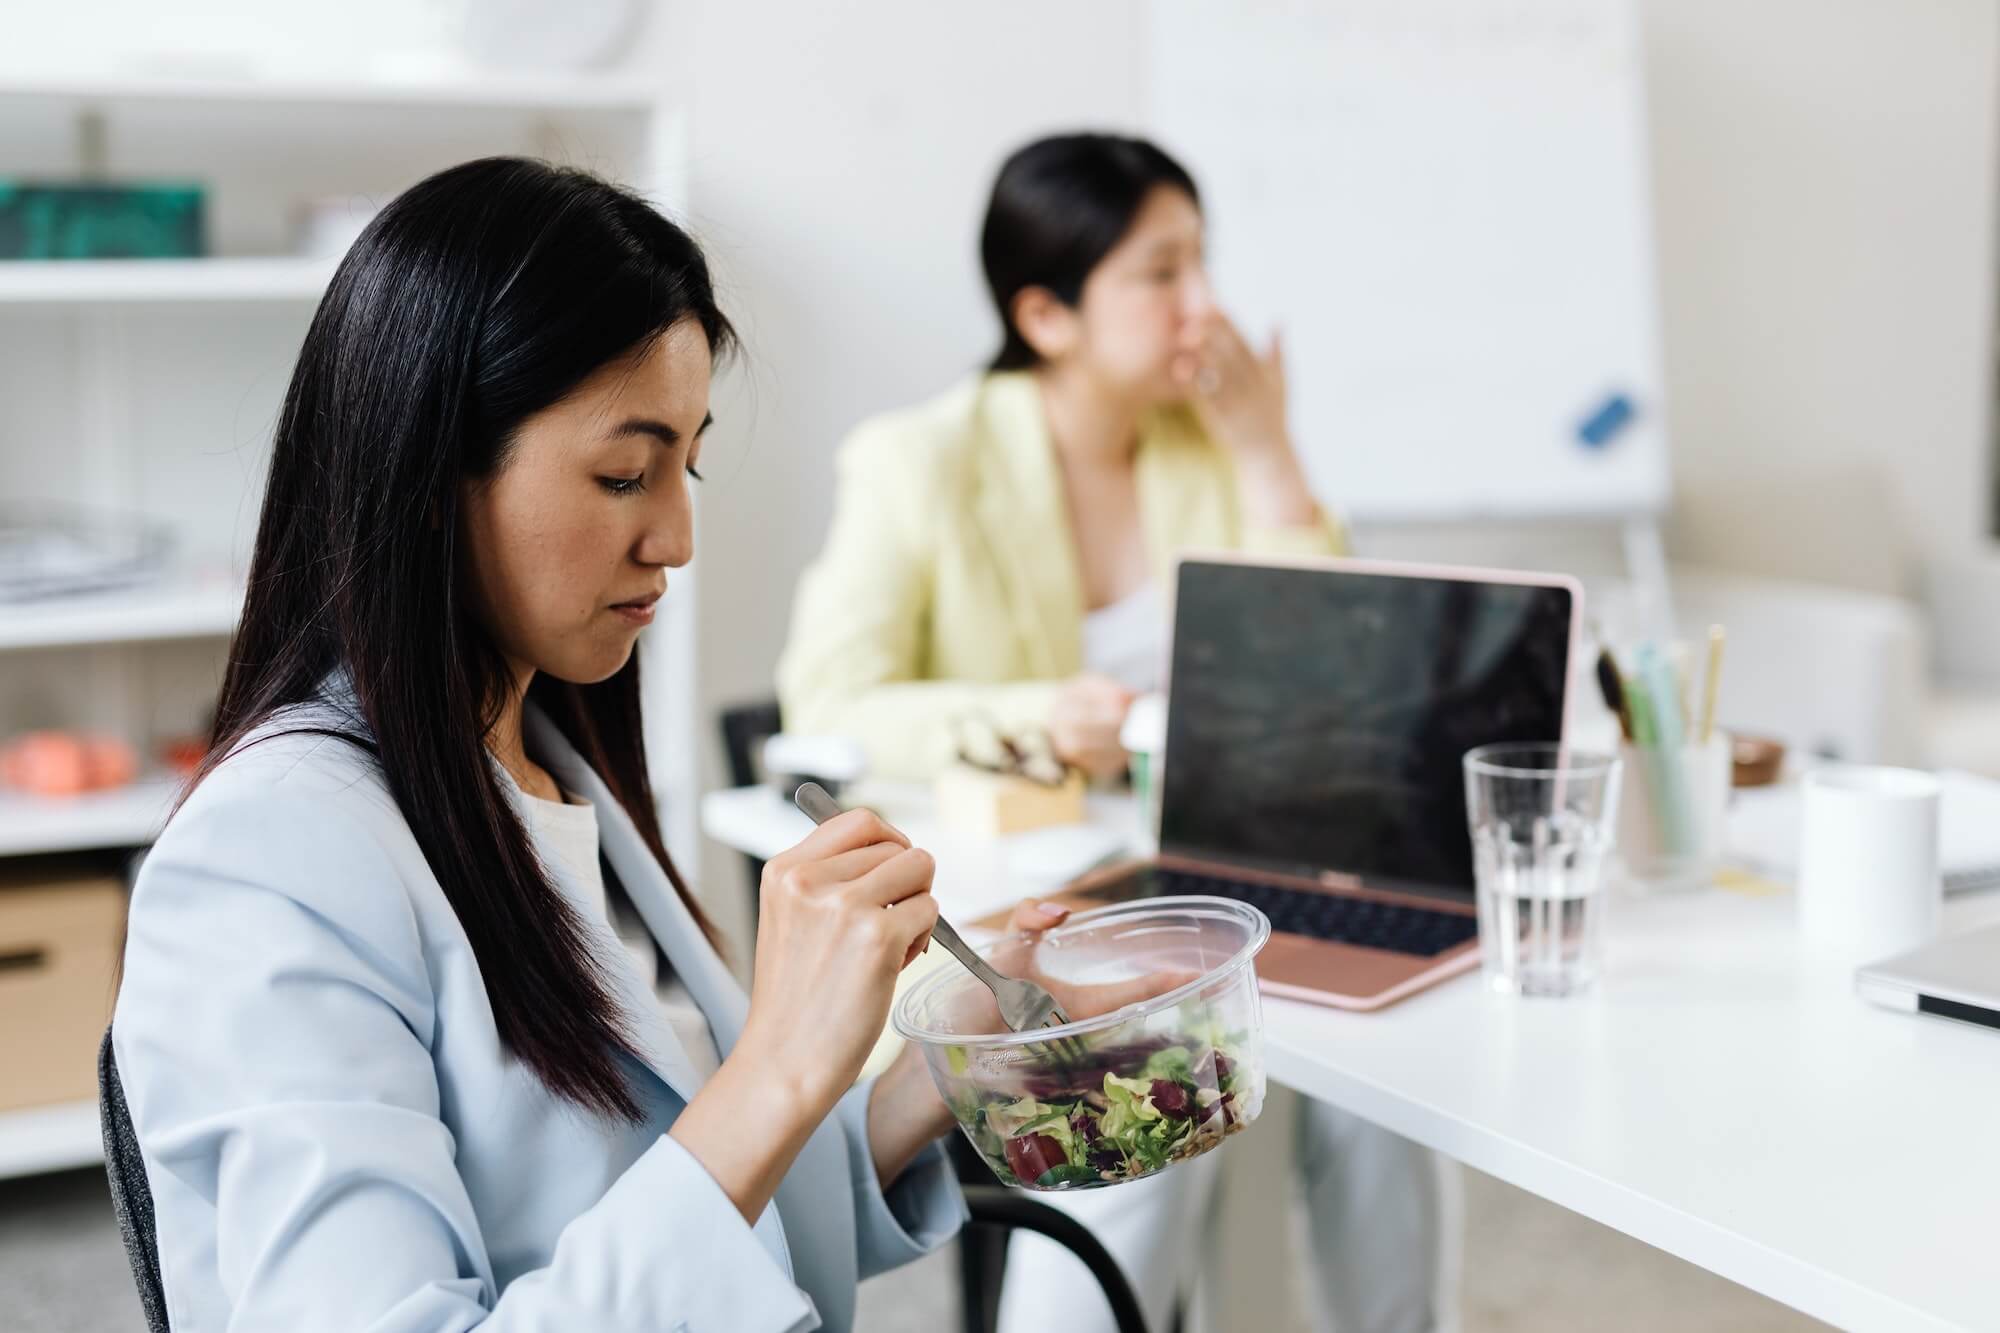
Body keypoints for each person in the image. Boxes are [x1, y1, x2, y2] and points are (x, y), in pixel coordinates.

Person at [112, 157, 1086, 1333]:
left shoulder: (547, 774)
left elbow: (708, 1198)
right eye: (624, 473)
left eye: (687, 463)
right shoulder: (273, 856)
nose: (674, 535)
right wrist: (775, 1064)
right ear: (430, 475)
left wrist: (939, 1058)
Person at [778, 133, 1450, 1333]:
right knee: (1138, 1071)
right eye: (1160, 273)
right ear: (1045, 312)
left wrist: (1266, 451)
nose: (1205, 308)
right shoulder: (917, 461)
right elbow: (826, 705)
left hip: (1205, 870)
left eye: (1203, 263)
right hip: (1016, 908)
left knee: (1381, 1084)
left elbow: (1328, 680)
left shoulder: (1206, 446)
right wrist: (1039, 714)